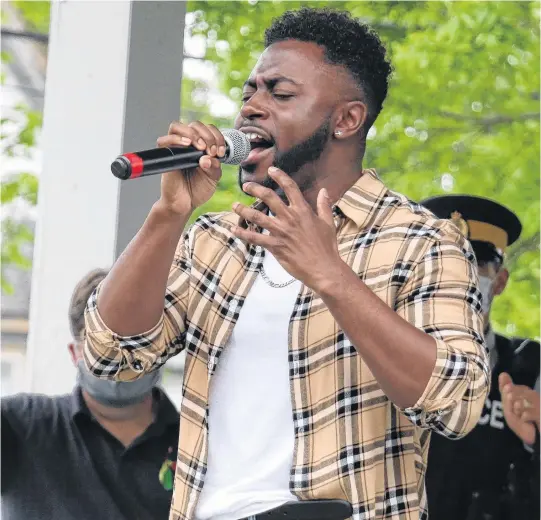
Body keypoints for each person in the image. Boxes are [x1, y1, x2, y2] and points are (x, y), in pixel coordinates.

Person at [84, 8, 489, 520]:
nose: (251, 107)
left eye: (279, 93)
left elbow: (455, 403)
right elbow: (111, 354)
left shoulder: (420, 241)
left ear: (346, 119)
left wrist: (330, 275)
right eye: (249, 91)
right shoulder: (217, 239)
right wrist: (169, 215)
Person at [1, 268, 180, 520]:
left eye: (135, 340)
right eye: (103, 346)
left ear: (161, 349)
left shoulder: (198, 446)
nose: (120, 359)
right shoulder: (19, 426)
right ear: (75, 353)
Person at [421, 195, 540, 520]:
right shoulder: (378, 356)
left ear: (499, 281)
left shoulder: (532, 368)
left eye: (476, 261)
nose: (463, 275)